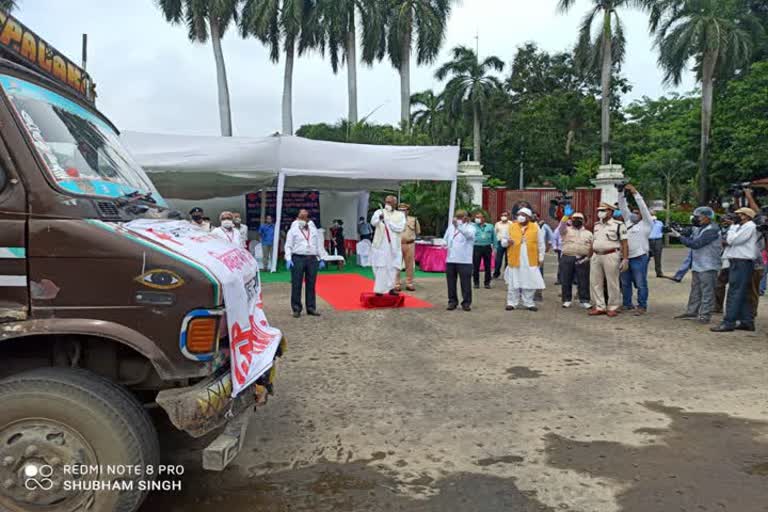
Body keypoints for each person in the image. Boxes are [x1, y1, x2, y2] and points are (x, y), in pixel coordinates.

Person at [671, 207, 722, 324]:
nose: (695, 219)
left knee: (707, 291)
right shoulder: (699, 227)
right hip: (698, 264)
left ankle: (705, 316)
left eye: (698, 217)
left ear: (707, 217)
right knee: (696, 290)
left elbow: (696, 244)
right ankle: (692, 312)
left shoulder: (712, 229)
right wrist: (677, 229)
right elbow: (688, 232)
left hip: (709, 265)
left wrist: (679, 236)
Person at [711, 207, 759, 332]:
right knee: (742, 293)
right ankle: (747, 321)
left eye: (740, 214)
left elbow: (733, 240)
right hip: (739, 262)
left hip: (742, 262)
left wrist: (732, 228)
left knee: (734, 292)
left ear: (747, 216)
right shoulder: (742, 227)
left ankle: (729, 322)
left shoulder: (749, 226)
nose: (736, 217)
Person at [617, 184, 654, 315]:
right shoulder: (627, 221)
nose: (635, 214)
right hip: (625, 257)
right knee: (625, 282)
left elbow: (643, 208)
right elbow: (622, 206)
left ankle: (642, 306)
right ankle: (627, 304)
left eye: (637, 213)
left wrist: (635, 193)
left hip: (639, 257)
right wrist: (620, 192)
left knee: (640, 283)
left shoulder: (647, 224)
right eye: (634, 212)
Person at [284, 210, 328, 318]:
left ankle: (311, 308)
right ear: (297, 218)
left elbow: (318, 246)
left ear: (308, 219)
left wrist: (322, 258)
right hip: (298, 258)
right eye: (301, 217)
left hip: (312, 259)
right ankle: (296, 308)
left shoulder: (313, 230)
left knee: (311, 284)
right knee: (296, 283)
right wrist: (288, 258)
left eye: (305, 218)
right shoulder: (293, 230)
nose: (303, 220)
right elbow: (288, 245)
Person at [501, 207, 546, 312]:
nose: (520, 217)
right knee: (513, 282)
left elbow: (541, 243)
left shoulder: (535, 227)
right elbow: (503, 241)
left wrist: (541, 257)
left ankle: (529, 303)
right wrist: (507, 242)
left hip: (530, 259)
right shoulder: (511, 226)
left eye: (523, 215)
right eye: (519, 214)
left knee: (529, 281)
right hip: (515, 258)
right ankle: (512, 302)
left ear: (529, 217)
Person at [589, 203, 629, 317]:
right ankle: (599, 306)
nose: (600, 212)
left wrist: (625, 259)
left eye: (603, 210)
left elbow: (625, 243)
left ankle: (613, 306)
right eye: (599, 210)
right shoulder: (597, 225)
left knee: (612, 282)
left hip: (611, 254)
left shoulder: (618, 225)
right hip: (596, 255)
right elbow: (594, 241)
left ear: (610, 211)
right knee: (595, 282)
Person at [370, 196, 406, 295]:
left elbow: (400, 228)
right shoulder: (379, 212)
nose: (387, 204)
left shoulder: (400, 215)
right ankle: (379, 290)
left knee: (392, 267)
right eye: (386, 202)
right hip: (381, 245)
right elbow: (373, 222)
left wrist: (389, 222)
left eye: (390, 202)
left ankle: (391, 288)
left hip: (393, 246)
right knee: (381, 266)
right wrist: (380, 218)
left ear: (395, 203)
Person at [558, 209, 593, 309]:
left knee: (584, 280)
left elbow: (592, 246)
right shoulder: (566, 230)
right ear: (571, 220)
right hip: (567, 257)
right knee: (566, 279)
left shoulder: (588, 233)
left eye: (579, 219)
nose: (577, 220)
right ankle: (566, 300)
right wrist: (565, 216)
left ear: (584, 221)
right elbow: (561, 226)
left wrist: (588, 258)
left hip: (582, 258)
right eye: (574, 218)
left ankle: (584, 300)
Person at [444, 210, 475, 311]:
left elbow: (469, 236)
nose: (459, 219)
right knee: (451, 282)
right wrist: (444, 244)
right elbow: (446, 238)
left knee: (465, 283)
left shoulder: (471, 227)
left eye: (461, 217)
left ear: (467, 218)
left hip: (465, 260)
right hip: (451, 259)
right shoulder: (451, 227)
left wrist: (459, 226)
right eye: (457, 217)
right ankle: (452, 301)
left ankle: (466, 303)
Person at [396, 203, 420, 292]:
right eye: (400, 210)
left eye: (404, 210)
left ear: (407, 211)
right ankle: (396, 283)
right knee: (397, 264)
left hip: (410, 244)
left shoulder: (413, 220)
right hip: (398, 244)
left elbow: (418, 231)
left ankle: (409, 283)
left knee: (409, 265)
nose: (402, 212)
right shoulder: (395, 219)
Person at [472, 212, 496, 289]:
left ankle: (487, 283)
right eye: (476, 217)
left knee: (487, 266)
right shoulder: (472, 226)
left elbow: (494, 237)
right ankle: (476, 283)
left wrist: (495, 247)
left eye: (479, 217)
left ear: (483, 218)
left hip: (487, 247)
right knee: (476, 266)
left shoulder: (490, 226)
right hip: (476, 247)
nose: (477, 219)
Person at [493, 212, 511, 279]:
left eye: (505, 215)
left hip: (508, 242)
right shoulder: (497, 224)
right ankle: (496, 273)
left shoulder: (511, 224)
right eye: (502, 215)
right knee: (498, 259)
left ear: (508, 216)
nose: (503, 216)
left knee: (508, 259)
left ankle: (506, 274)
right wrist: (494, 244)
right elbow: (495, 234)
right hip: (500, 242)